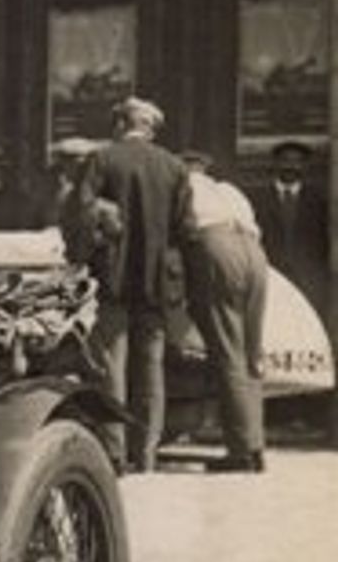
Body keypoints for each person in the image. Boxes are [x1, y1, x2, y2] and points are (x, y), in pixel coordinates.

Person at [75, 96, 196, 472]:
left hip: (112, 279)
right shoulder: (175, 167)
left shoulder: (102, 159)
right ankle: (146, 454)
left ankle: (114, 453)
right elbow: (187, 229)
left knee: (112, 366)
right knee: (151, 369)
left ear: (119, 124)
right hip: (157, 283)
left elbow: (81, 213)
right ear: (151, 128)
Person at [180, 150, 268, 472]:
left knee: (227, 351)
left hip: (216, 247)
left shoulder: (184, 186)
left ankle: (241, 451)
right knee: (251, 351)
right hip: (254, 253)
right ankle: (256, 444)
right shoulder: (229, 190)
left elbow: (183, 231)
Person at [248, 139, 329, 322]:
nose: (291, 166)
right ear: (275, 164)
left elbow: (324, 240)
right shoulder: (258, 199)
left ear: (304, 165)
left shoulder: (318, 200)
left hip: (308, 277)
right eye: (285, 160)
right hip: (272, 274)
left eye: (297, 161)